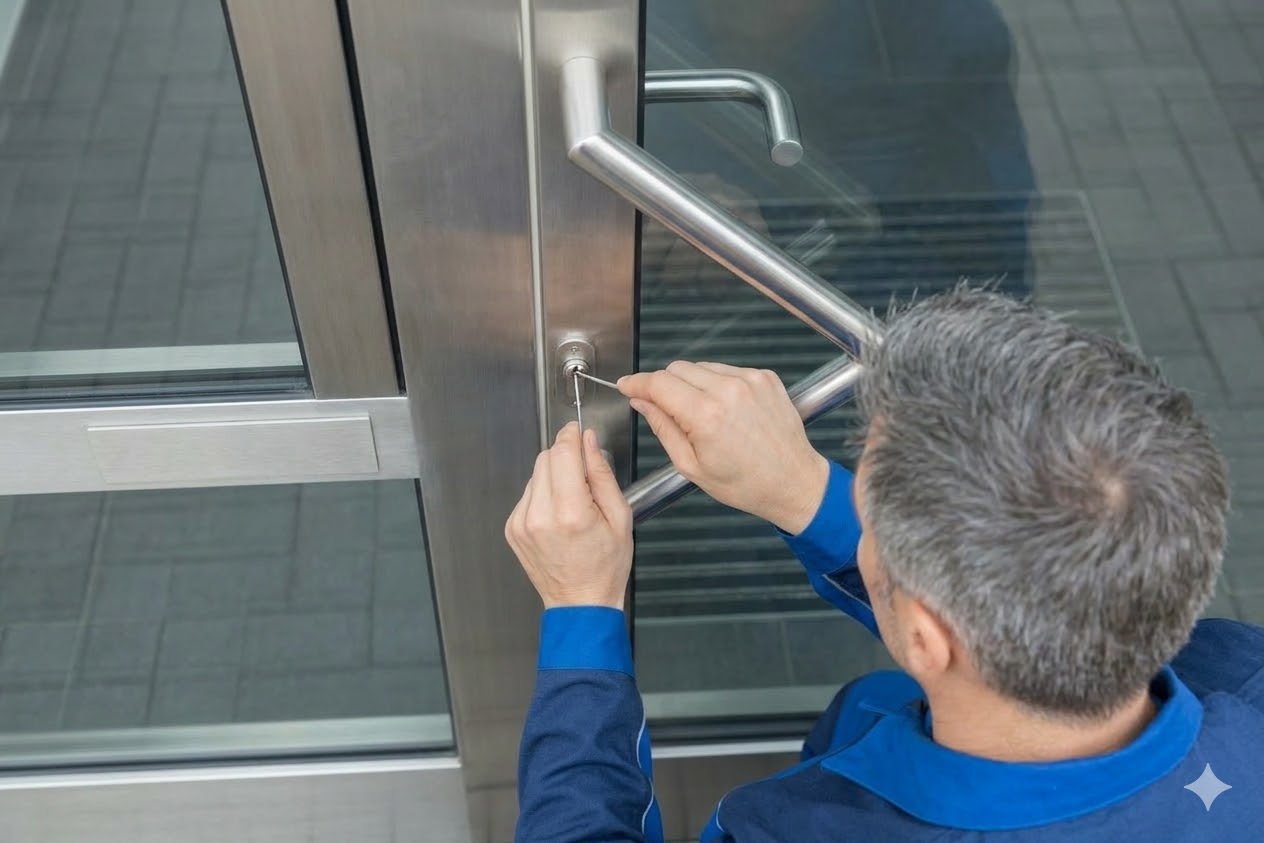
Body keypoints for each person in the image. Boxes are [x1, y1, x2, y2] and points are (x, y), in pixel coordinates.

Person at [504, 289, 1264, 842]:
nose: (856, 522)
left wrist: (581, 613)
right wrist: (803, 492)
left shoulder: (793, 830)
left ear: (931, 638)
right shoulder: (1244, 681)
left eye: (866, 512)